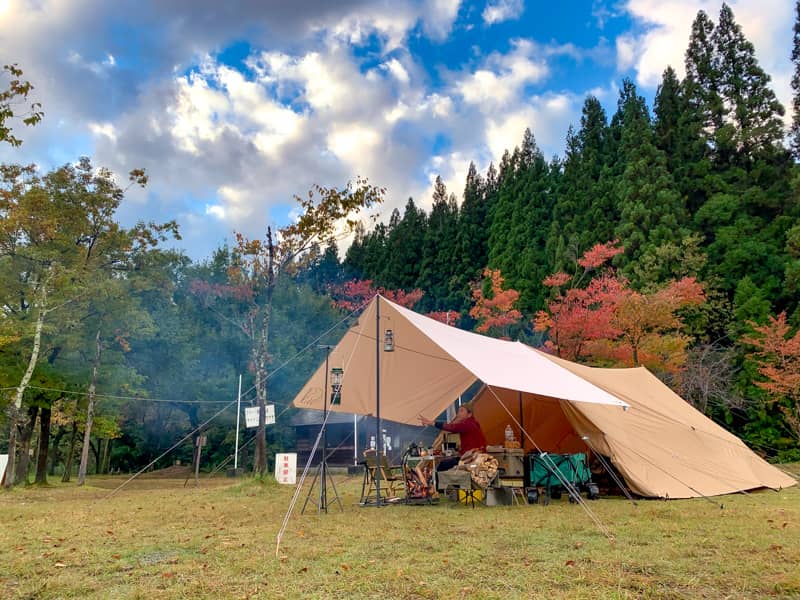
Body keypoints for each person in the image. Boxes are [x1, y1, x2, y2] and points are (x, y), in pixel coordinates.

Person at [418, 402, 487, 472]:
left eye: (462, 411)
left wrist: (433, 423)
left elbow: (453, 428)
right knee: (447, 463)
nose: (458, 413)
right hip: (475, 456)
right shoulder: (473, 423)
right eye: (458, 411)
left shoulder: (468, 423)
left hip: (471, 458)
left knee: (442, 465)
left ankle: (441, 482)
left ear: (469, 414)